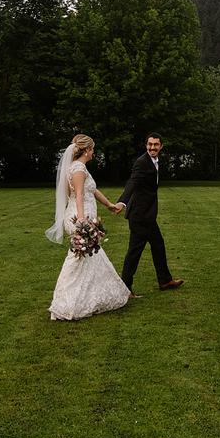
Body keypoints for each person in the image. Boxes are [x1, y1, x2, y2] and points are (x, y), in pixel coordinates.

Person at [46, 134, 132, 321]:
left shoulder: (81, 168)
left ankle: (95, 297)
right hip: (80, 217)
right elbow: (78, 197)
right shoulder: (78, 169)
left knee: (90, 258)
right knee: (78, 258)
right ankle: (66, 303)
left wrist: (109, 205)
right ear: (86, 150)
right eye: (93, 149)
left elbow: (92, 190)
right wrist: (83, 222)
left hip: (85, 216)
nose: (94, 152)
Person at [115, 133, 184, 293]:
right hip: (139, 216)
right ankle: (125, 287)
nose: (152, 147)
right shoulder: (142, 162)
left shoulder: (155, 161)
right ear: (146, 145)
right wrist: (122, 201)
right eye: (150, 144)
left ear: (161, 146)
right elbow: (132, 182)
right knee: (135, 251)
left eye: (156, 145)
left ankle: (165, 281)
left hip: (148, 215)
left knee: (158, 245)